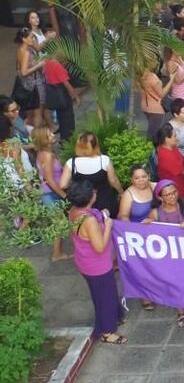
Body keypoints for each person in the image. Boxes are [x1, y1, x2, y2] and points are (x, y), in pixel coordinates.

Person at [67, 181, 126, 344]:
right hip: (97, 265)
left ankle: (116, 315)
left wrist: (101, 214)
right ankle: (107, 332)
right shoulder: (89, 221)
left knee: (103, 294)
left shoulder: (74, 211)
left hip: (84, 262)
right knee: (104, 297)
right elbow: (100, 246)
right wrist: (108, 225)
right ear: (90, 197)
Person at [60, 132, 123, 218]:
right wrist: (121, 193)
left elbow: (63, 185)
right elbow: (113, 181)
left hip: (82, 202)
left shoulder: (71, 162)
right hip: (105, 201)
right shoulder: (104, 160)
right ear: (96, 145)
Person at [33, 126, 69, 261]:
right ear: (43, 139)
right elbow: (50, 180)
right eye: (49, 135)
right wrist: (64, 195)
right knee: (59, 223)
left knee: (58, 223)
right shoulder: (47, 155)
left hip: (49, 193)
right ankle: (56, 254)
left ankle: (58, 252)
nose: (53, 135)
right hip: (50, 194)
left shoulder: (44, 152)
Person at [14, 27, 46, 126]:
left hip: (26, 84)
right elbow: (23, 72)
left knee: (30, 114)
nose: (33, 39)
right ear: (24, 39)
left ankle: (25, 135)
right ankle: (38, 137)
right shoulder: (27, 52)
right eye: (32, 37)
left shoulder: (20, 49)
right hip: (35, 83)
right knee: (38, 112)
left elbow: (18, 68)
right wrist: (38, 65)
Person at [43, 56, 79, 142]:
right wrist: (75, 97)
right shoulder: (57, 65)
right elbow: (67, 84)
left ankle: (63, 137)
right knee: (68, 121)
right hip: (62, 96)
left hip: (53, 96)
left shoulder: (46, 62)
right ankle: (67, 141)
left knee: (61, 118)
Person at [138, 65, 173, 141]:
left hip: (145, 106)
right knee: (154, 135)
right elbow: (162, 94)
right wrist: (171, 80)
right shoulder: (152, 77)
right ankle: (151, 151)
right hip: (155, 109)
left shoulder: (139, 76)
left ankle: (148, 149)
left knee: (152, 130)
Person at [155, 123, 184, 197]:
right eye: (174, 136)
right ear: (166, 139)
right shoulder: (166, 155)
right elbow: (183, 171)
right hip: (176, 192)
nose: (177, 138)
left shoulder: (172, 147)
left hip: (182, 187)